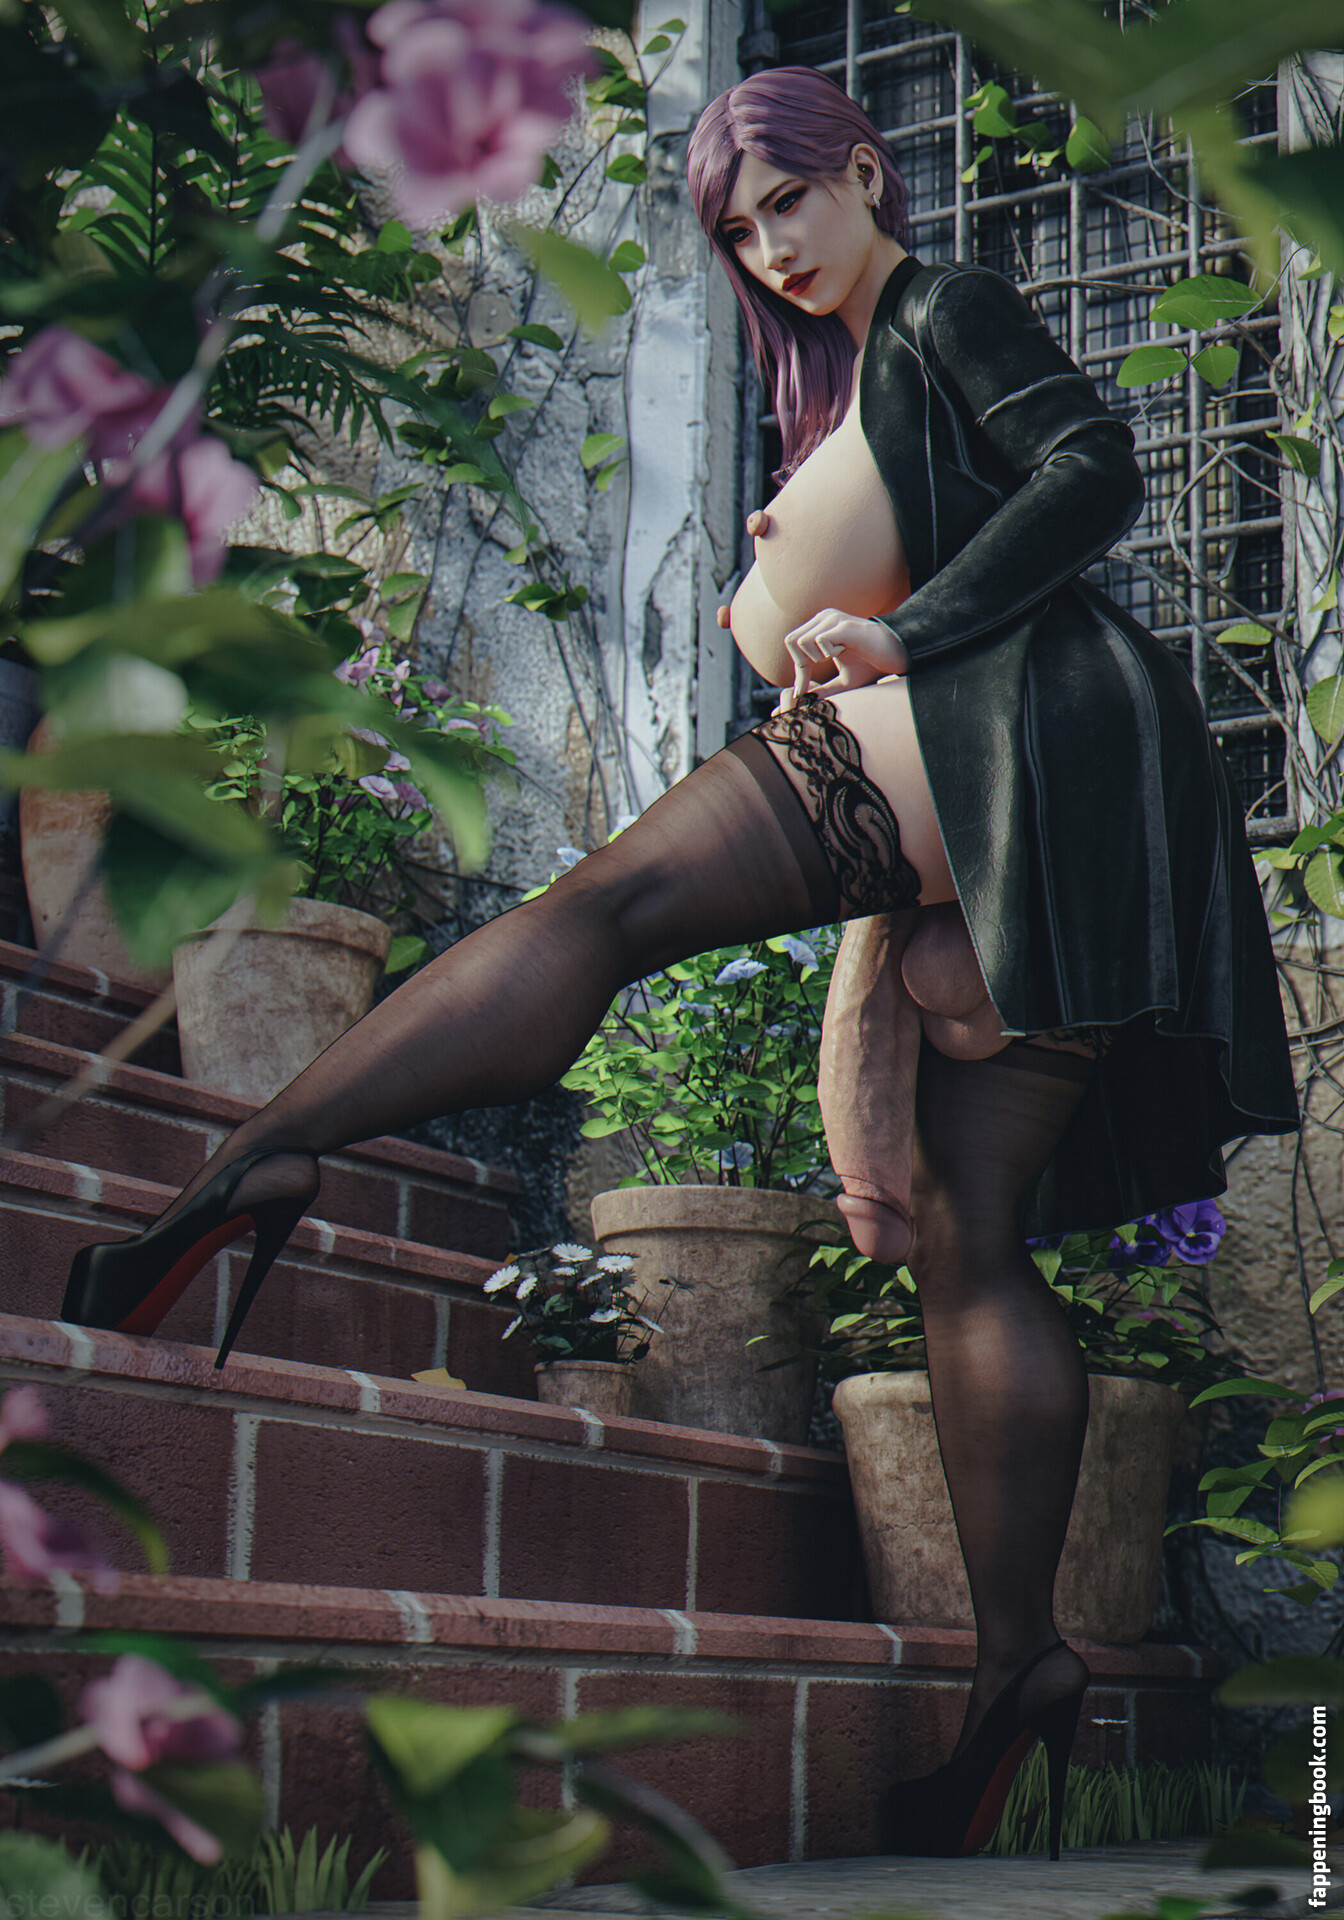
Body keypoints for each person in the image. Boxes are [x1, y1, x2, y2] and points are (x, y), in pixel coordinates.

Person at [62, 64, 1296, 1863]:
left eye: (792, 200)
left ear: (865, 171)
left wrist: (906, 629)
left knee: (606, 911)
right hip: (1089, 773)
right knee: (972, 1233)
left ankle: (245, 1170)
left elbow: (1095, 466)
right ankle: (1018, 1670)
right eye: (738, 230)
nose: (774, 246)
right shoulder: (861, 362)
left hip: (1024, 716)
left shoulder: (943, 301)